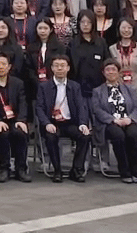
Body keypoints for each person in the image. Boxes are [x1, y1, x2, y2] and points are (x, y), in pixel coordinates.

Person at [34, 55, 91, 183]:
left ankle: (76, 170)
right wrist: (46, 123)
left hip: (70, 123)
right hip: (52, 123)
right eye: (57, 66)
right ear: (52, 68)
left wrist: (83, 124)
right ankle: (57, 170)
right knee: (51, 137)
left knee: (85, 136)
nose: (60, 68)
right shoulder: (44, 86)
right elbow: (39, 108)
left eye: (62, 66)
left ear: (68, 68)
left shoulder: (75, 86)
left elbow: (81, 106)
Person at [90, 60, 137, 183]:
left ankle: (135, 171)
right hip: (109, 123)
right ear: (103, 73)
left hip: (128, 120)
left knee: (134, 135)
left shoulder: (129, 89)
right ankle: (124, 171)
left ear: (119, 72)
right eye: (108, 70)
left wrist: (130, 119)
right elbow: (97, 110)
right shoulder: (97, 91)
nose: (111, 72)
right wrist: (113, 120)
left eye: (113, 69)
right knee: (118, 135)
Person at [0, 52, 31, 182]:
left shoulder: (18, 83)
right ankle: (4, 168)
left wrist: (21, 120)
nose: (1, 67)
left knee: (20, 132)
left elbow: (23, 103)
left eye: (4, 64)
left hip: (14, 120)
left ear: (9, 67)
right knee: (3, 132)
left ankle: (21, 169)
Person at [111, 19, 137, 99]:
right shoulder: (112, 49)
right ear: (118, 29)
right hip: (119, 85)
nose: (126, 30)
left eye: (129, 28)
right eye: (123, 27)